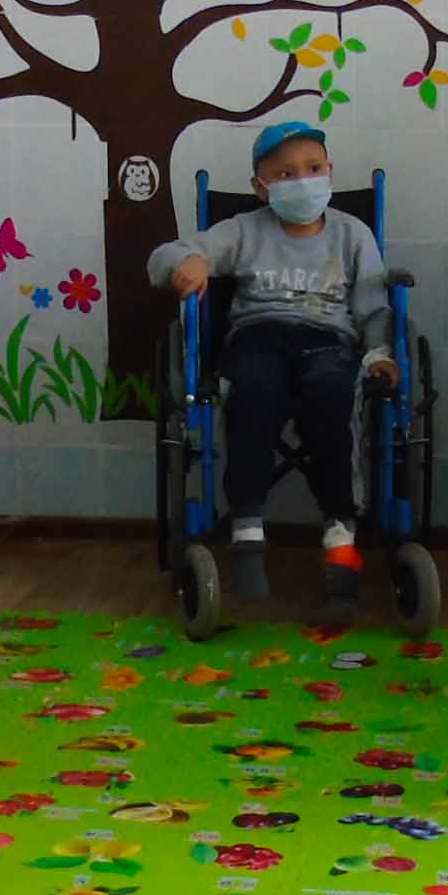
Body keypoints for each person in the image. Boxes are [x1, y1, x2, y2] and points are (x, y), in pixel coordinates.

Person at [150, 122, 397, 605]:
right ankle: (246, 530)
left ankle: (341, 535)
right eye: (285, 174)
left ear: (329, 171)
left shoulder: (352, 233)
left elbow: (374, 306)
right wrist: (188, 262)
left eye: (313, 168)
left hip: (328, 339)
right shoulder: (244, 230)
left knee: (332, 395)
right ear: (260, 187)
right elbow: (164, 256)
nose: (302, 180)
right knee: (253, 394)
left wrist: (380, 354)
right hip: (258, 336)